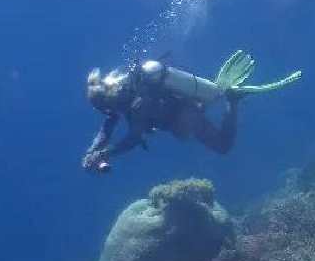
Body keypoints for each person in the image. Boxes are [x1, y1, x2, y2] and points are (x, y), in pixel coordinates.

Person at [82, 50, 301, 173]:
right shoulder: (123, 85)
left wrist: (105, 154)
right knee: (199, 113)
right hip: (183, 106)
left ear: (108, 101)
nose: (107, 113)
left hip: (185, 116)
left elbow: (133, 138)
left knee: (223, 146)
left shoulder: (137, 104)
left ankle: (231, 101)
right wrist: (93, 150)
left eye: (104, 108)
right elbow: (108, 124)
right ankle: (217, 96)